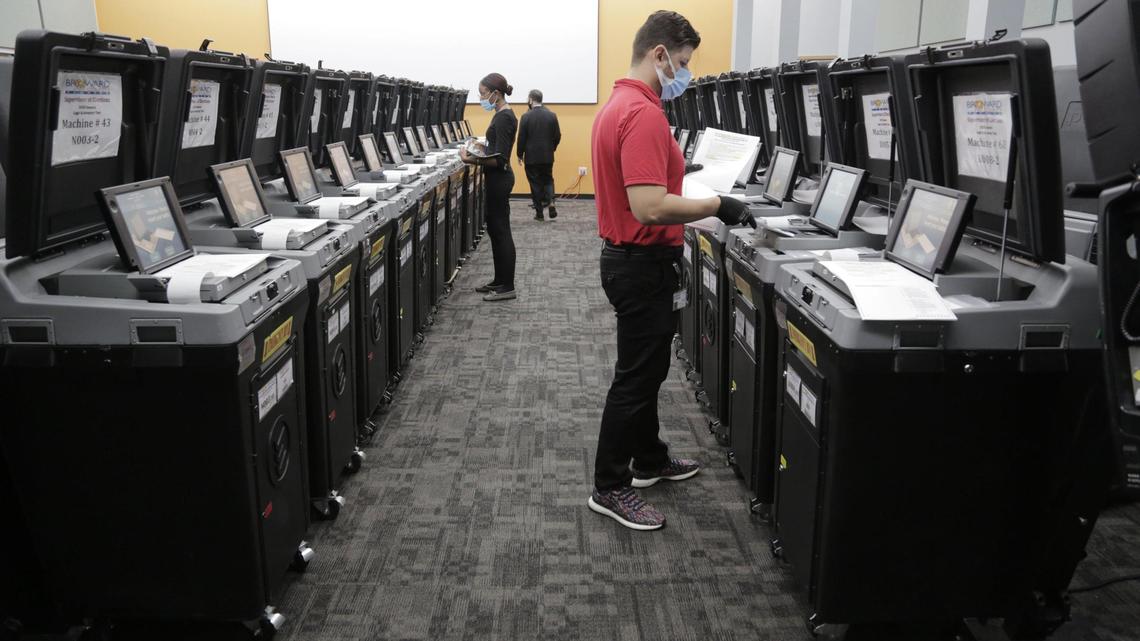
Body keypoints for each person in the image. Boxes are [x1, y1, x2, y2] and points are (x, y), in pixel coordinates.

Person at [587, 10, 756, 531]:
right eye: (681, 63)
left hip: (634, 263)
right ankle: (610, 486)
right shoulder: (642, 113)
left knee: (650, 369)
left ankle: (650, 459)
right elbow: (650, 206)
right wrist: (718, 205)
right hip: (639, 265)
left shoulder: (619, 104)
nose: (683, 73)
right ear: (660, 54)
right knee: (636, 378)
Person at [460, 73, 519, 302]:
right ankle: (499, 280)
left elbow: (500, 159)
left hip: (500, 178)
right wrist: (480, 148)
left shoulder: (504, 117)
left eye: (483, 94)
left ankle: (507, 286)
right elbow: (495, 149)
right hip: (496, 179)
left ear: (496, 93)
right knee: (495, 231)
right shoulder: (501, 114)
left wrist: (471, 159)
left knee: (501, 231)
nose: (481, 98)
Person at [517, 89, 562, 221]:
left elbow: (521, 138)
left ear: (531, 99)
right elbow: (557, 136)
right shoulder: (552, 115)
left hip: (531, 157)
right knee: (548, 179)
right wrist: (551, 148)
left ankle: (539, 214)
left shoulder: (526, 117)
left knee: (535, 184)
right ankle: (551, 201)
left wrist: (519, 154)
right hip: (547, 155)